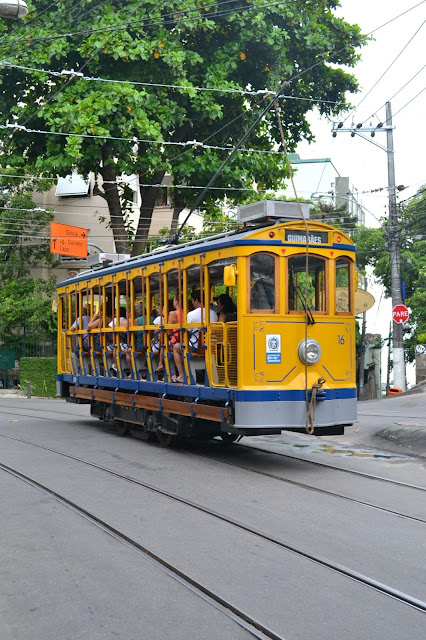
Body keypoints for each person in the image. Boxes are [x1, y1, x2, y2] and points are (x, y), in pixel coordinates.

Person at [172, 290, 218, 383]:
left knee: (176, 347)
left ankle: (181, 376)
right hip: (212, 346)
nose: (192, 303)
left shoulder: (191, 314)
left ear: (196, 301)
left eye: (192, 301)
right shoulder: (214, 313)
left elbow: (187, 332)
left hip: (196, 347)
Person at [155, 296, 184, 375]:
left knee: (164, 345)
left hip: (176, 340)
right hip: (184, 340)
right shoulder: (186, 312)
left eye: (174, 300)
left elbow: (169, 333)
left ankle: (162, 366)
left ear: (177, 301)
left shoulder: (172, 313)